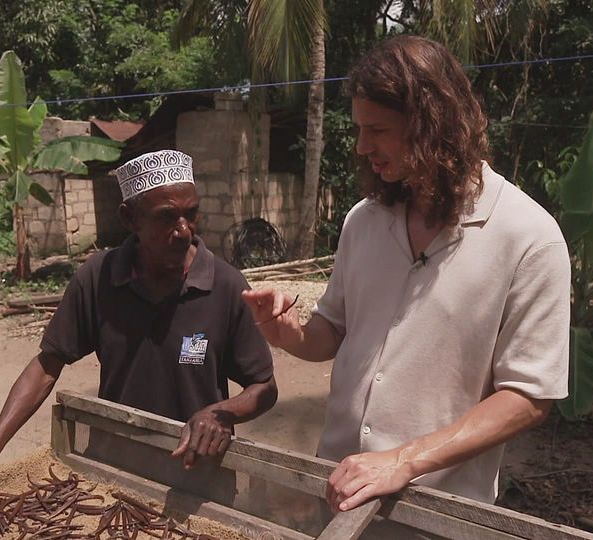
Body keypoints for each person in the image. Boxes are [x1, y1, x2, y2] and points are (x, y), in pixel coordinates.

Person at [242, 36, 570, 511]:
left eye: (376, 130)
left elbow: (528, 397)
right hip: (338, 486)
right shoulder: (365, 221)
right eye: (358, 128)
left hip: (437, 509)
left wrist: (405, 460)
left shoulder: (528, 238)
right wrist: (289, 334)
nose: (361, 147)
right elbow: (332, 332)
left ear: (433, 125)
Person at [0, 150, 278, 510]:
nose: (183, 230)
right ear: (129, 218)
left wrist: (221, 413)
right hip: (112, 474)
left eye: (191, 214)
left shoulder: (226, 286)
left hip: (199, 481)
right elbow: (46, 367)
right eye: (166, 217)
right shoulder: (97, 278)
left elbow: (265, 387)